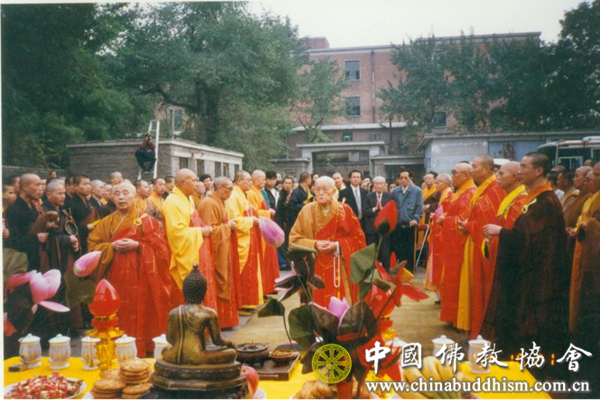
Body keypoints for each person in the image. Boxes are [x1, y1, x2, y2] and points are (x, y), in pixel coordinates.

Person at [482, 152, 570, 367]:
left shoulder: (546, 202)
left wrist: (502, 232)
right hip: (527, 275)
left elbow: (533, 242)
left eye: (523, 167)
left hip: (539, 279)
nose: (519, 171)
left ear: (538, 171)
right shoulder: (535, 199)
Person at [88, 182, 172, 355]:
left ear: (135, 197)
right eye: (117, 193)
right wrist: (111, 246)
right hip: (114, 278)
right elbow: (92, 246)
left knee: (140, 310)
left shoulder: (147, 221)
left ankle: (142, 347)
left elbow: (162, 251)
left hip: (142, 277)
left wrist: (138, 245)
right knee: (117, 309)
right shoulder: (106, 223)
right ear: (112, 198)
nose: (121, 197)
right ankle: (115, 348)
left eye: (125, 193)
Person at [289, 176, 366, 306]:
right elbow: (293, 240)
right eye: (317, 189)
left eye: (325, 189)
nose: (321, 193)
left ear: (334, 190)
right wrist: (314, 244)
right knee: (316, 301)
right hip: (314, 264)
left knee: (340, 302)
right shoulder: (306, 210)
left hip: (338, 264)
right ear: (313, 190)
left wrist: (337, 245)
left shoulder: (344, 210)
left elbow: (358, 238)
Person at [457, 155, 505, 338]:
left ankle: (481, 333)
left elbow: (489, 223)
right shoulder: (483, 189)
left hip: (484, 246)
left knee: (482, 290)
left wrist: (468, 225)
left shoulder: (495, 189)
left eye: (475, 166)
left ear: (486, 169)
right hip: (474, 243)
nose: (472, 170)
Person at [480, 162, 528, 340]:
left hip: (510, 263)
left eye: (501, 174)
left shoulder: (521, 200)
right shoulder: (510, 197)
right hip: (499, 254)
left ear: (515, 177)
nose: (497, 177)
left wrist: (495, 237)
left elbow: (513, 233)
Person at [33, 181, 81, 332]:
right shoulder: (44, 212)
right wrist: (68, 239)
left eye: (64, 193)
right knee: (57, 290)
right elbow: (46, 238)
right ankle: (57, 327)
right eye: (59, 193)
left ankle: (69, 324)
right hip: (52, 260)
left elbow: (69, 231)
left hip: (66, 255)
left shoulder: (62, 211)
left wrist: (74, 242)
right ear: (48, 195)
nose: (63, 196)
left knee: (68, 287)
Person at [197, 177, 240, 329]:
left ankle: (225, 320)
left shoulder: (219, 201)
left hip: (223, 248)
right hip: (214, 252)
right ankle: (219, 321)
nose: (230, 193)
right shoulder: (209, 203)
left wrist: (226, 225)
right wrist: (227, 227)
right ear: (220, 188)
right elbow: (209, 231)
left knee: (225, 280)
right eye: (229, 190)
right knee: (218, 282)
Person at [162, 169, 213, 295]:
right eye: (194, 181)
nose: (197, 184)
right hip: (183, 255)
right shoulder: (172, 202)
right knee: (187, 292)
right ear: (183, 183)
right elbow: (176, 234)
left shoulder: (188, 198)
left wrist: (204, 228)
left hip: (195, 250)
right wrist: (201, 231)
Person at [439, 163, 476, 326]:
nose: (452, 176)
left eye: (455, 173)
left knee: (457, 283)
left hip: (460, 246)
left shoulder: (469, 193)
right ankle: (452, 317)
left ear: (466, 175)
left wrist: (445, 220)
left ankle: (458, 319)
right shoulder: (460, 192)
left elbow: (463, 221)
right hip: (452, 245)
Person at [569, 161, 600, 336]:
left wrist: (589, 226)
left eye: (597, 175)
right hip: (584, 249)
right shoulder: (592, 198)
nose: (593, 178)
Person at [225, 170, 262, 307]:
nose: (251, 183)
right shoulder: (233, 196)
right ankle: (242, 303)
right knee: (242, 272)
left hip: (248, 238)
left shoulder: (242, 194)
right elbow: (233, 219)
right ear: (239, 181)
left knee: (250, 272)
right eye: (248, 180)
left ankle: (249, 302)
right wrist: (251, 220)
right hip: (240, 240)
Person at [247, 170, 279, 296]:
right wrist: (268, 212)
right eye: (263, 179)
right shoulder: (251, 193)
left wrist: (268, 211)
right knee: (263, 260)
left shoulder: (259, 192)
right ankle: (264, 289)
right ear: (255, 179)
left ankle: (269, 287)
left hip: (265, 230)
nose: (264, 181)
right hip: (259, 230)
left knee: (268, 259)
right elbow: (254, 213)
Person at [5, 174, 44, 271]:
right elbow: (13, 240)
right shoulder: (13, 209)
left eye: (41, 185)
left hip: (35, 256)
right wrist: (36, 237)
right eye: (37, 185)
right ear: (26, 187)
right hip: (22, 262)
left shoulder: (33, 207)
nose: (41, 189)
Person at [424, 173, 453, 294]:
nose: (436, 185)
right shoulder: (443, 194)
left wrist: (435, 215)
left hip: (442, 233)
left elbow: (447, 213)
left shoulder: (448, 194)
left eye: (438, 182)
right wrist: (435, 215)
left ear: (446, 183)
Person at [390, 169, 423, 272]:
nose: (403, 180)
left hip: (410, 224)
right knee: (399, 249)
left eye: (406, 178)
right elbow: (391, 207)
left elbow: (419, 207)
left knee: (410, 250)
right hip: (398, 225)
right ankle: (399, 271)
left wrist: (416, 219)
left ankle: (409, 271)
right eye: (401, 178)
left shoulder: (417, 191)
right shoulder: (395, 192)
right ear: (398, 179)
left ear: (410, 179)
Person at [363, 176, 393, 270]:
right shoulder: (368, 196)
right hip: (371, 230)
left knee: (385, 253)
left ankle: (385, 273)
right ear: (373, 185)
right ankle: (372, 273)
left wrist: (383, 210)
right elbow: (365, 211)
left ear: (384, 185)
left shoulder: (389, 196)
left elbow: (392, 212)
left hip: (384, 229)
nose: (379, 186)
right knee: (372, 253)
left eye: (381, 184)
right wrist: (375, 209)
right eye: (377, 184)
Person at [70, 175, 97, 254]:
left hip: (90, 239)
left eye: (89, 184)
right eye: (85, 184)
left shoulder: (87, 202)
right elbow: (70, 227)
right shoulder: (72, 204)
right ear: (75, 186)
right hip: (80, 242)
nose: (88, 187)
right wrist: (85, 228)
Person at [564, 167, 593, 231]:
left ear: (586, 179)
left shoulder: (589, 197)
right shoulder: (578, 195)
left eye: (577, 176)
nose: (574, 179)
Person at [275, 176, 294, 270]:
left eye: (289, 183)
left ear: (292, 185)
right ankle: (283, 262)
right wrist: (286, 202)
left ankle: (287, 261)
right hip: (280, 221)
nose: (287, 185)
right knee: (281, 242)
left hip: (288, 222)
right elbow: (279, 211)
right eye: (286, 183)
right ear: (282, 184)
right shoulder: (280, 195)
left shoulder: (292, 194)